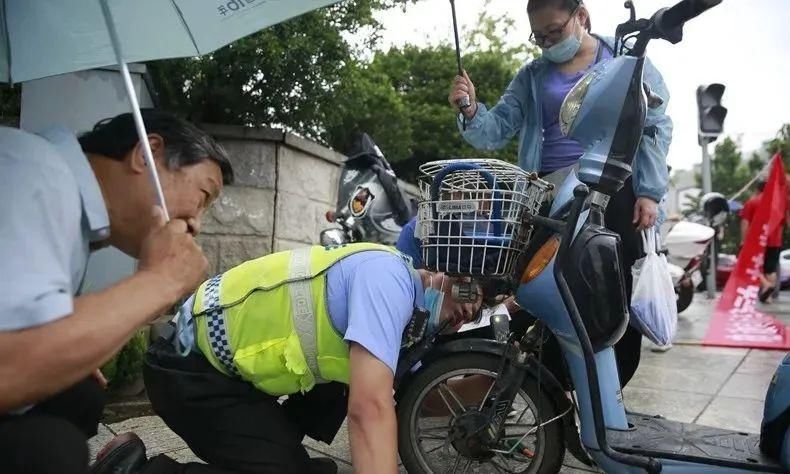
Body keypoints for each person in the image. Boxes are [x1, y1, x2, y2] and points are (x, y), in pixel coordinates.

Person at [98, 242, 483, 474]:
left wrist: (490, 385)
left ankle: (285, 457)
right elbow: (370, 410)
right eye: (468, 292)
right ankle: (134, 467)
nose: (472, 308)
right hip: (187, 369)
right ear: (443, 273)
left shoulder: (406, 311)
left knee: (351, 380)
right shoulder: (388, 281)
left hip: (230, 376)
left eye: (482, 304)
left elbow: (418, 399)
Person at [447, 0, 672, 387]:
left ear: (581, 16)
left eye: (555, 31)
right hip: (554, 195)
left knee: (614, 291)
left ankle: (610, 390)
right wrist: (470, 110)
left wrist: (649, 191)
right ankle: (558, 385)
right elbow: (496, 128)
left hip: (616, 189)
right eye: (539, 36)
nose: (547, 42)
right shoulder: (532, 75)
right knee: (551, 290)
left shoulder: (625, 59)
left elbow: (654, 125)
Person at [0, 110, 234, 474]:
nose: (197, 222)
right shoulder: (32, 173)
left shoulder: (64, 203)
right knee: (49, 449)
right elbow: (8, 367)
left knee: (78, 393)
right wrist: (161, 280)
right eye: (203, 195)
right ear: (147, 154)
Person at [740, 177, 786, 303]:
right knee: (770, 269)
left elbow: (745, 222)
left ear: (757, 189)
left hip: (757, 241)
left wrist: (744, 240)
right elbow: (781, 225)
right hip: (774, 241)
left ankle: (766, 285)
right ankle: (768, 297)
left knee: (749, 264)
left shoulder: (752, 202)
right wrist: (777, 240)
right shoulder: (778, 205)